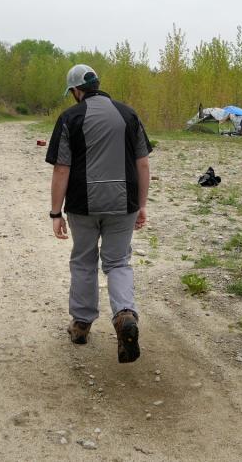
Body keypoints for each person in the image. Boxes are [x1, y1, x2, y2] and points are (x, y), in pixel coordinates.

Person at [45, 64, 152, 363]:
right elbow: (143, 164)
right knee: (118, 262)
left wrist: (56, 212)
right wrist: (142, 204)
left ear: (76, 91)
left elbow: (61, 168)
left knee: (84, 260)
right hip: (124, 202)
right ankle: (124, 315)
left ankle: (81, 325)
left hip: (83, 204)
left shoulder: (69, 118)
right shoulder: (128, 114)